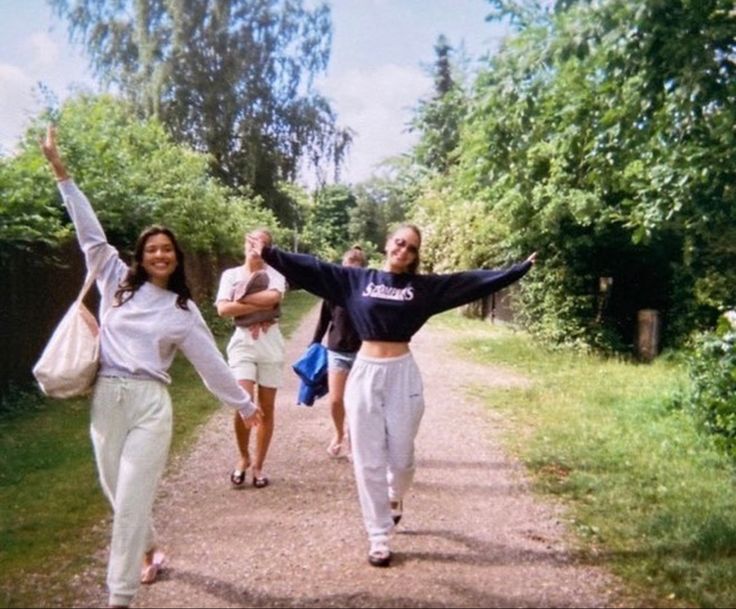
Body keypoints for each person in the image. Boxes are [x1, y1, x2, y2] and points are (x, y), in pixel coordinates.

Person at [40, 125, 262, 609]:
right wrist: (62, 174)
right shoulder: (115, 280)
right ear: (141, 256)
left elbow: (209, 364)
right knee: (116, 491)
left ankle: (119, 596)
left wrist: (244, 404)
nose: (160, 254)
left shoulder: (182, 310)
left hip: (150, 406)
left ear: (176, 257)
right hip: (107, 398)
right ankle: (149, 547)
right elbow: (90, 234)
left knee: (132, 500)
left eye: (168, 249)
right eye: (152, 249)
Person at [248, 225, 536, 568]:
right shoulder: (356, 280)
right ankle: (379, 536)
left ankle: (395, 496)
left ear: (415, 256)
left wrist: (516, 270)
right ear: (387, 244)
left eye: (411, 248)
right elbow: (313, 268)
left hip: (402, 374)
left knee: (402, 460)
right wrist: (269, 252)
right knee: (367, 459)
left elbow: (469, 282)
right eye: (399, 243)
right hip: (365, 371)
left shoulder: (423, 289)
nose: (403, 250)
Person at [216, 229, 286, 489]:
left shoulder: (275, 274)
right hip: (243, 342)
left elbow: (274, 298)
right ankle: (243, 456)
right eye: (251, 241)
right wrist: (263, 307)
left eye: (262, 243)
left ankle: (258, 464)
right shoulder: (231, 275)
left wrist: (240, 299)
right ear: (244, 243)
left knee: (267, 408)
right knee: (243, 402)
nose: (255, 247)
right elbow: (223, 309)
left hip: (271, 343)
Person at [310, 245, 366, 460]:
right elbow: (324, 318)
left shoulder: (367, 292)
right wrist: (314, 342)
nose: (349, 273)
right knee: (335, 400)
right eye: (346, 269)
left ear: (361, 270)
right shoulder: (332, 292)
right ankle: (338, 433)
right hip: (337, 350)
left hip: (363, 353)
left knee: (357, 401)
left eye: (355, 269)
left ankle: (354, 440)